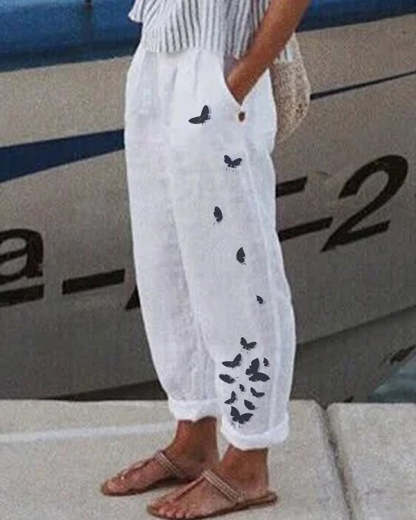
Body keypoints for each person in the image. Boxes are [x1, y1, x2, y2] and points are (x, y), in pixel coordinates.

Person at [101, 0, 311, 518]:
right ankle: (193, 435)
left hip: (222, 61)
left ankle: (248, 460)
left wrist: (235, 85)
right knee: (167, 259)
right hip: (159, 55)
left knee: (237, 268)